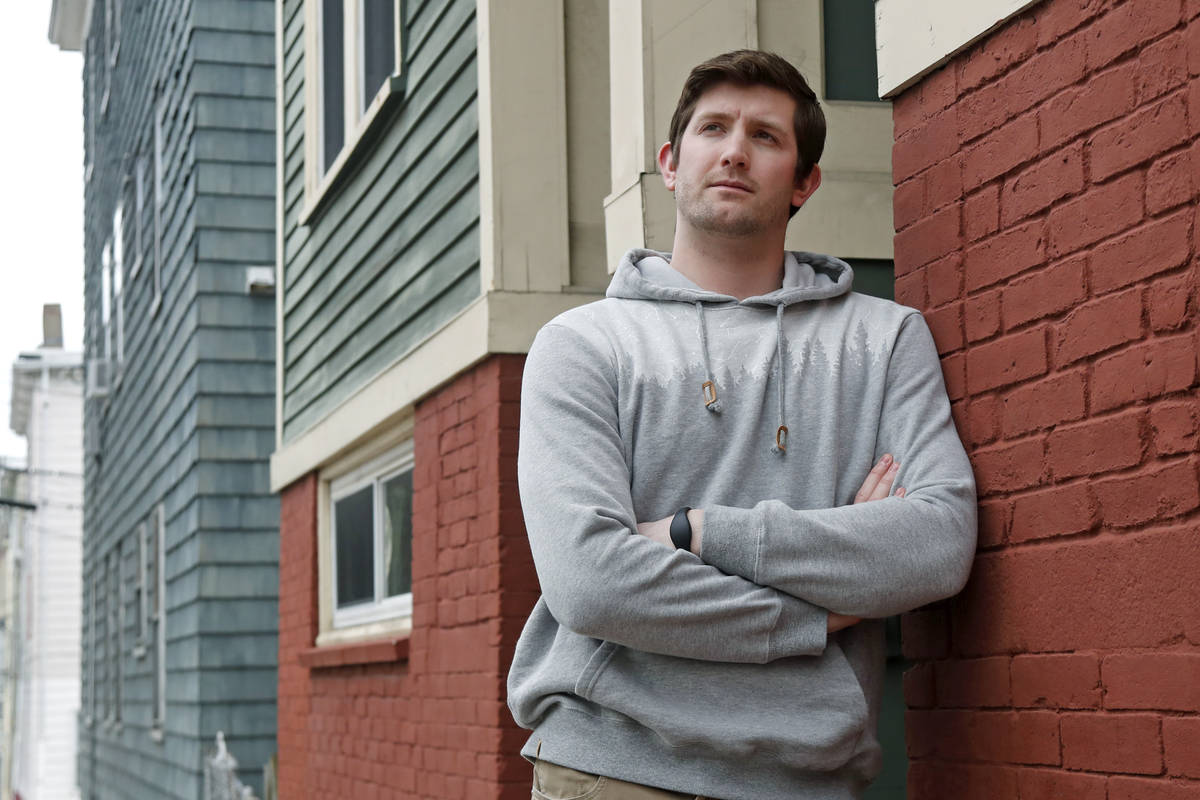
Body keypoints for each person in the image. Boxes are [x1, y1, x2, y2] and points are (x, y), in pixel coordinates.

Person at [507, 50, 977, 800]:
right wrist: (821, 614)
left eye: (765, 136)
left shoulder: (885, 339)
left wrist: (699, 530)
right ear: (670, 161)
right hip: (613, 772)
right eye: (713, 128)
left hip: (806, 781)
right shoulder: (584, 344)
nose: (733, 149)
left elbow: (939, 543)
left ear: (804, 182)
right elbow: (590, 584)